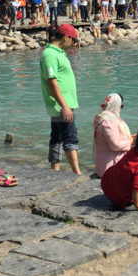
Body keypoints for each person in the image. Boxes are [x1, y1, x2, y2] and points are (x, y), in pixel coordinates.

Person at [40, 24, 82, 174]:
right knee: (70, 138)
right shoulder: (50, 55)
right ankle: (77, 173)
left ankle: (55, 171)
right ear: (66, 37)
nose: (75, 43)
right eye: (74, 40)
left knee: (57, 138)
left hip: (60, 104)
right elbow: (51, 81)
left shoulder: (58, 53)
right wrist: (64, 106)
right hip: (62, 105)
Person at [93, 93, 132, 177]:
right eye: (121, 106)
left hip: (102, 165)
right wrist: (130, 142)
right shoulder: (109, 121)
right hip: (110, 168)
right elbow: (115, 145)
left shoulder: (100, 117)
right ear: (117, 106)